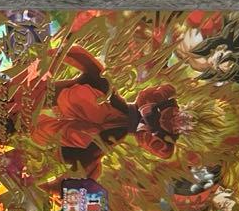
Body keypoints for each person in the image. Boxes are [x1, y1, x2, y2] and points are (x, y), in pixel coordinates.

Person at [28, 45, 190, 177]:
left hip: (111, 131)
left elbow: (162, 151)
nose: (176, 121)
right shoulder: (163, 99)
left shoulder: (165, 141)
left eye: (179, 124)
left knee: (80, 143)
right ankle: (32, 105)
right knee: (82, 97)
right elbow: (148, 95)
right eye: (179, 116)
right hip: (111, 106)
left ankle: (29, 128)